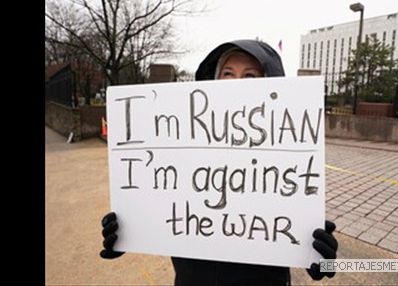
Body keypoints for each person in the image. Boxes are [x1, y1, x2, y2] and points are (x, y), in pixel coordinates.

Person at [100, 39, 338, 285]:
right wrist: (128, 231)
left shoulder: (287, 155)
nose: (236, 83)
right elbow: (159, 196)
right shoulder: (182, 142)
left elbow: (295, 229)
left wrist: (317, 254)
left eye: (249, 76)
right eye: (227, 73)